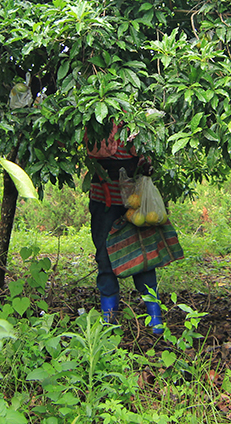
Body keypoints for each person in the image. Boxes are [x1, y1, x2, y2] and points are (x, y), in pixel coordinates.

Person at [86, 122, 163, 334]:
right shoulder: (96, 118)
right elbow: (91, 150)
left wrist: (144, 165)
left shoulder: (136, 120)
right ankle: (108, 319)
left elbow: (146, 154)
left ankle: (155, 317)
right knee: (105, 254)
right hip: (105, 200)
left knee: (143, 253)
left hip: (133, 200)